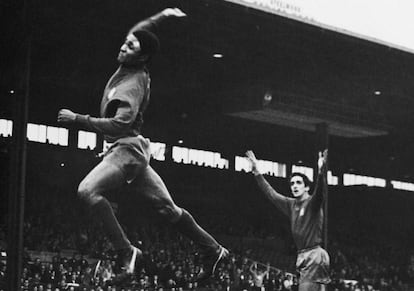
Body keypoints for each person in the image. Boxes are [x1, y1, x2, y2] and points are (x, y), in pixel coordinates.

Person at [57, 7, 228, 282]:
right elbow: (141, 27)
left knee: (87, 191)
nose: (123, 47)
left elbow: (119, 125)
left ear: (142, 56)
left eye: (130, 46)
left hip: (126, 150)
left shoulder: (133, 85)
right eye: (126, 42)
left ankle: (127, 252)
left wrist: (79, 119)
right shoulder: (132, 60)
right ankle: (213, 249)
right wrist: (163, 16)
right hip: (132, 150)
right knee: (167, 209)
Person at [245, 150, 330, 291]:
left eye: (298, 183)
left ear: (307, 187)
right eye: (292, 183)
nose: (294, 186)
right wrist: (256, 172)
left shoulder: (312, 203)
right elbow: (271, 193)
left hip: (313, 255)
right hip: (304, 255)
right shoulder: (291, 204)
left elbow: (320, 192)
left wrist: (321, 172)